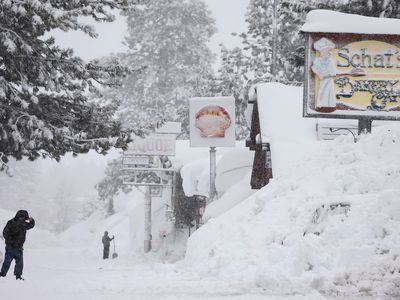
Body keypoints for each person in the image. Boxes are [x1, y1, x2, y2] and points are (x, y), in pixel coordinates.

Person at [0, 210, 35, 280]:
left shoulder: (24, 224)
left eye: (24, 218)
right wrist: (11, 241)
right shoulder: (11, 223)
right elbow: (5, 233)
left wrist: (32, 220)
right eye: (22, 217)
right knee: (7, 262)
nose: (22, 219)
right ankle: (2, 275)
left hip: (19, 248)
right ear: (18, 216)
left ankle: (18, 276)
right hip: (10, 248)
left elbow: (31, 225)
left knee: (20, 264)